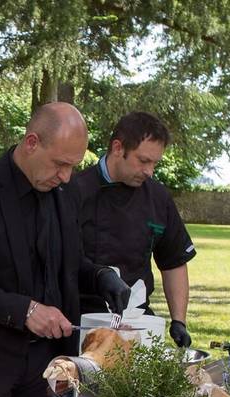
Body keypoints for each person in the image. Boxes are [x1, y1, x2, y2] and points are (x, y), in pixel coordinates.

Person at [0, 102, 130, 397]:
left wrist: (99, 276)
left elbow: (65, 263)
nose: (66, 177)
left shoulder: (66, 195)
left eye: (73, 167)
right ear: (31, 143)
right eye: (59, 164)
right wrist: (25, 310)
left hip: (50, 365)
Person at [73, 112, 197, 347]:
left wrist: (178, 320)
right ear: (118, 148)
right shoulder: (75, 191)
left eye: (155, 163)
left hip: (137, 320)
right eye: (143, 161)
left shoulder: (158, 197)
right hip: (82, 320)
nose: (150, 171)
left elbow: (174, 261)